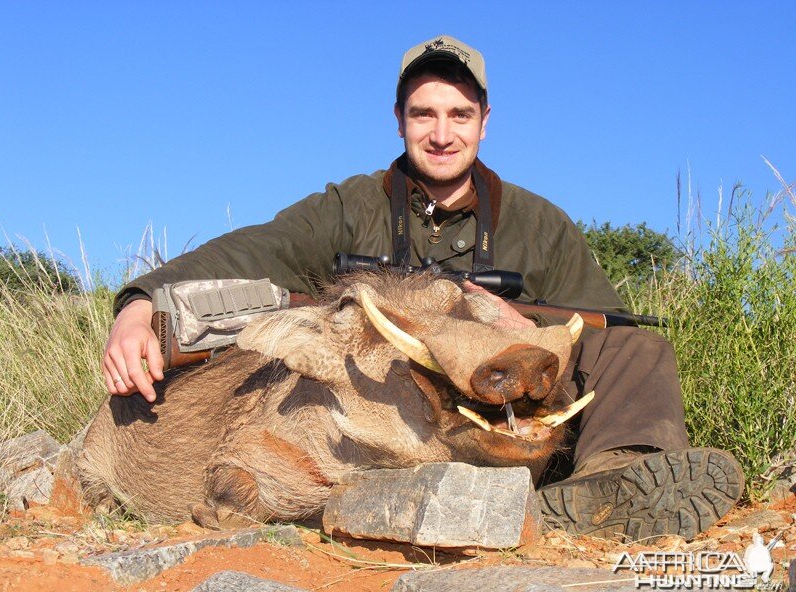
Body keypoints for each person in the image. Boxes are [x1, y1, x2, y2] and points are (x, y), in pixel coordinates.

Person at [102, 35, 743, 541]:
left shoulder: (538, 223)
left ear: (485, 121)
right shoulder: (348, 206)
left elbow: (603, 326)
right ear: (399, 120)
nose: (442, 133)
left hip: (507, 395)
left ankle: (615, 482)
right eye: (424, 114)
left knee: (641, 348)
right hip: (390, 401)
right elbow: (252, 249)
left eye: (460, 114)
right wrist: (138, 303)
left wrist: (529, 335)